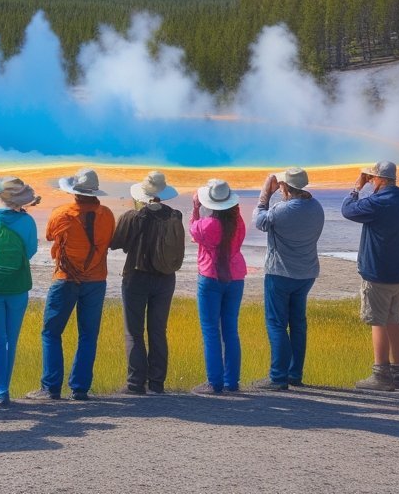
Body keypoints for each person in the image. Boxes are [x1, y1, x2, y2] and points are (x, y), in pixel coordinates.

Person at [27, 168, 114, 402]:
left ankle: (51, 387)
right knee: (88, 334)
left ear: (75, 193)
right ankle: (80, 388)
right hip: (96, 279)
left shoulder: (62, 214)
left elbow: (48, 236)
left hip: (66, 278)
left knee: (51, 332)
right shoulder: (107, 215)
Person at [342, 161, 399, 391]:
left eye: (373, 178)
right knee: (393, 319)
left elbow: (348, 210)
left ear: (382, 180)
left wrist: (357, 188)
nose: (371, 182)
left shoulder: (377, 203)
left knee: (377, 321)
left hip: (379, 273)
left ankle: (380, 374)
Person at [110, 170, 184, 395]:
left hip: (137, 275)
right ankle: (157, 383)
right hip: (166, 278)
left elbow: (115, 243)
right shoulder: (176, 215)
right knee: (158, 331)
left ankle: (135, 383)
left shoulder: (133, 217)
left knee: (134, 332)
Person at [252, 168, 325, 391]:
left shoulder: (283, 209)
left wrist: (265, 194)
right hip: (306, 273)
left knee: (276, 323)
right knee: (298, 324)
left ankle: (278, 377)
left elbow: (259, 221)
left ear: (285, 187)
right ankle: (294, 374)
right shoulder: (316, 207)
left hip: (280, 273)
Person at [0, 176, 39, 407]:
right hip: (18, 284)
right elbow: (29, 251)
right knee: (11, 339)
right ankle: (3, 388)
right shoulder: (28, 223)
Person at [189, 178, 247, 395]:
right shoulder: (238, 222)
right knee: (231, 330)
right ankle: (232, 381)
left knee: (211, 330)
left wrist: (196, 208)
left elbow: (193, 230)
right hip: (236, 276)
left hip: (211, 276)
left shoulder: (208, 224)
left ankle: (215, 382)